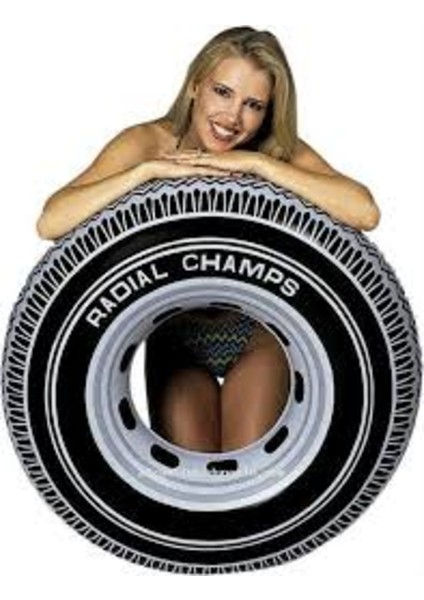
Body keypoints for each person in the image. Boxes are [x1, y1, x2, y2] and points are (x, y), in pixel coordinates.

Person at [36, 26, 380, 454]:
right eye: (223, 92)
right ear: (195, 85)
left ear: (268, 112)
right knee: (191, 477)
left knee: (248, 469)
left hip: (257, 332)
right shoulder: (147, 142)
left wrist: (259, 165)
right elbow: (51, 221)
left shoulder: (274, 150)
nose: (233, 118)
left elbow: (364, 211)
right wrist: (145, 172)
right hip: (174, 333)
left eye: (253, 105)